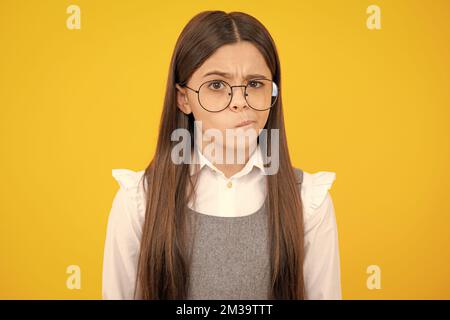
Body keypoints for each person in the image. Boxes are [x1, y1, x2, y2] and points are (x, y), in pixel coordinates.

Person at [102, 10, 341, 300]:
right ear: (184, 98)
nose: (240, 102)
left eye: (255, 84)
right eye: (217, 85)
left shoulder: (309, 201)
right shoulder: (139, 201)